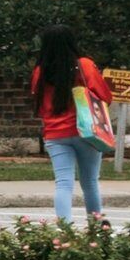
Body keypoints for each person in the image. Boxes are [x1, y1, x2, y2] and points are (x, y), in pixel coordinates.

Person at [30, 22, 114, 224]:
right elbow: (104, 96)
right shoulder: (84, 65)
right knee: (90, 182)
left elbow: (40, 106)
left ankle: (64, 229)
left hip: (55, 134)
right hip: (86, 131)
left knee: (63, 183)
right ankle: (95, 225)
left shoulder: (40, 71)